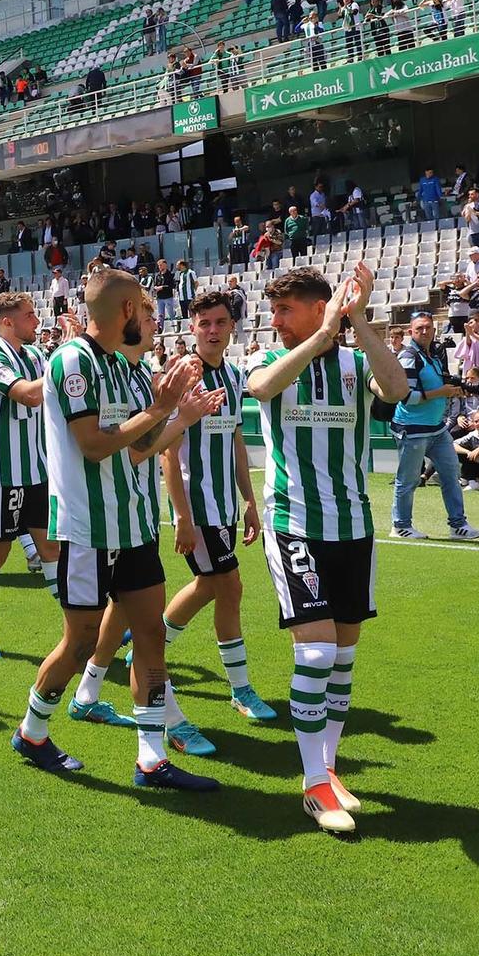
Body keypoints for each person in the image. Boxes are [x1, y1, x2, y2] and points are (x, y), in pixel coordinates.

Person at [9, 268, 221, 791]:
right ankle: (32, 732)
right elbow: (93, 445)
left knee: (150, 635)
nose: (151, 317)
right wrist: (162, 407)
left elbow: (137, 449)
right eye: (145, 308)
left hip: (135, 525)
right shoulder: (73, 361)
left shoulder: (130, 369)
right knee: (79, 643)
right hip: (86, 530)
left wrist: (178, 418)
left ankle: (151, 757)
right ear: (127, 311)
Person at [247, 263, 408, 835]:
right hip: (295, 524)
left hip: (352, 526)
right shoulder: (272, 362)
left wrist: (359, 322)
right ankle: (314, 783)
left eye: (286, 310)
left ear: (321, 307)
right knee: (314, 654)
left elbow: (397, 389)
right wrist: (319, 336)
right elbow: (260, 389)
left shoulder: (355, 362)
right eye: (275, 310)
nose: (275, 320)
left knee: (341, 658)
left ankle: (329, 768)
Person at [157, 291, 275, 722]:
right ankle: (241, 690)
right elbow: (168, 451)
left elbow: (236, 441)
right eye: (204, 323)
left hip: (224, 505)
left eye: (220, 322)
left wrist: (247, 498)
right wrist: (182, 517)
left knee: (211, 586)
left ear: (231, 327)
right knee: (229, 587)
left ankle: (148, 645)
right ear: (192, 327)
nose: (212, 330)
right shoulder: (183, 375)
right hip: (197, 505)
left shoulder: (233, 373)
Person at [0, 292, 57, 660]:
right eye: (30, 315)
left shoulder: (34, 355)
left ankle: (85, 624)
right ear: (7, 322)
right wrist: (69, 358)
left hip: (37, 470)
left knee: (52, 549)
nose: (37, 321)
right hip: (1, 474)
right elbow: (29, 395)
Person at [389, 312, 479, 543]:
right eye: (419, 328)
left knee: (451, 474)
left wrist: (455, 386)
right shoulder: (408, 357)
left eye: (428, 328)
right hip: (412, 428)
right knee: (408, 479)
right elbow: (406, 397)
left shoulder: (431, 355)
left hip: (435, 427)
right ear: (411, 331)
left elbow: (439, 380)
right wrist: (442, 393)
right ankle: (400, 525)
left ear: (434, 330)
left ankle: (458, 525)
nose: (424, 332)